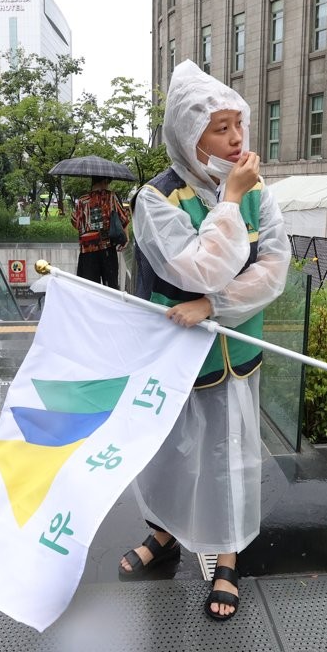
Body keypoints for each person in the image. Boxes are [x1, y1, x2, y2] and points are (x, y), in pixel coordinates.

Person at [118, 60, 291, 622]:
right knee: (168, 451)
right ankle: (166, 532)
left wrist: (215, 308)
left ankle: (227, 558)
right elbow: (199, 269)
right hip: (173, 358)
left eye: (237, 124)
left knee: (230, 456)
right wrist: (230, 202)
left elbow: (273, 269)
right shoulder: (158, 199)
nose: (236, 138)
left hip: (235, 355)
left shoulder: (257, 192)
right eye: (219, 127)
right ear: (188, 136)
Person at [71, 177, 129, 289]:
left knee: (90, 289)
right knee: (111, 288)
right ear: (104, 181)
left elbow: (75, 223)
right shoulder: (111, 196)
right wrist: (126, 238)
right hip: (107, 249)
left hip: (88, 251)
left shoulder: (82, 200)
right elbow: (124, 219)